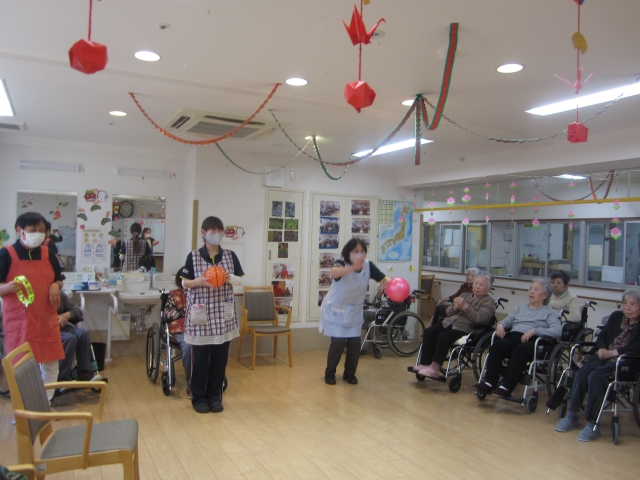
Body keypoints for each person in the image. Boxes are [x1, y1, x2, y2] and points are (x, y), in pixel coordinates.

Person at [555, 288, 640, 442]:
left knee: (595, 376)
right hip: (603, 356)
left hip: (625, 361)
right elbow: (602, 336)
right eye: (625, 303)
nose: (627, 307)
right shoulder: (616, 316)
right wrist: (601, 348)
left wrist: (616, 352)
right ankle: (572, 416)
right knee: (582, 373)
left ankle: (592, 424)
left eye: (632, 304)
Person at [180, 216, 244, 413]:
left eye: (219, 230)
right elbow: (184, 283)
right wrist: (198, 281)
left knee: (219, 360)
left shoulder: (230, 255)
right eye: (213, 230)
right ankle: (198, 397)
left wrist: (229, 277)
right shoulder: (193, 256)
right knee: (199, 361)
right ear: (203, 233)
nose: (217, 234)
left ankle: (215, 396)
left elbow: (240, 280)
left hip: (223, 315)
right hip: (201, 316)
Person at [0, 212, 65, 403]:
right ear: (20, 231)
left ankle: (45, 404)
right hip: (19, 321)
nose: (38, 233)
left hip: (46, 318)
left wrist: (56, 285)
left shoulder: (48, 254)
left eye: (41, 230)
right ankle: (25, 407)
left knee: (51, 362)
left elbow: (59, 278)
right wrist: (6, 288)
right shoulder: (6, 254)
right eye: (33, 229)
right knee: (21, 365)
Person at [472, 278, 561, 398]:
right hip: (514, 336)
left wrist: (535, 331)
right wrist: (500, 325)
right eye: (530, 289)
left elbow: (557, 331)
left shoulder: (549, 312)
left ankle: (506, 387)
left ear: (545, 295)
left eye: (536, 289)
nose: (531, 291)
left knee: (520, 350)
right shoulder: (520, 308)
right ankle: (489, 382)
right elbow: (507, 321)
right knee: (497, 345)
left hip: (533, 340)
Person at [320, 237, 389, 385]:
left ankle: (350, 373)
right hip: (336, 310)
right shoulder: (341, 263)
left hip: (354, 311)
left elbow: (384, 279)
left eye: (362, 251)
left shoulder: (368, 266)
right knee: (338, 343)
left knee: (355, 343)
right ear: (348, 253)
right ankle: (330, 373)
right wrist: (352, 268)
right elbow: (335, 273)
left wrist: (393, 284)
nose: (359, 254)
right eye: (356, 251)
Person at [413, 272, 496, 378]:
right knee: (429, 332)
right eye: (476, 283)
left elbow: (479, 319)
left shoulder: (489, 302)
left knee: (444, 337)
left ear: (489, 288)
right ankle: (426, 364)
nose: (477, 286)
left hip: (467, 329)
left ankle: (435, 367)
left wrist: (465, 307)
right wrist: (455, 307)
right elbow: (448, 312)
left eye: (481, 284)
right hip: (448, 323)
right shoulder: (464, 295)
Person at [57, 290, 101, 383]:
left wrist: (68, 314)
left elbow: (78, 311)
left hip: (64, 327)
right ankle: (63, 379)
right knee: (70, 338)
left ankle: (84, 374)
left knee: (82, 333)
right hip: (49, 331)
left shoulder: (60, 294)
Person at [163, 270, 193, 398]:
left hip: (199, 327)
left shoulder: (199, 293)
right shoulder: (174, 294)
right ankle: (192, 384)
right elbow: (167, 314)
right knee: (189, 346)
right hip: (180, 328)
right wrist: (183, 312)